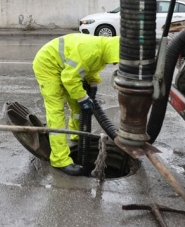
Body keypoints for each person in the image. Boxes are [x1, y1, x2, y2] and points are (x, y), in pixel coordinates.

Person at [32, 33, 120, 176]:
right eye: (117, 60)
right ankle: (60, 160)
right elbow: (69, 78)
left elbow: (88, 69)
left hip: (65, 69)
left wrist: (92, 83)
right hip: (48, 65)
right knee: (56, 111)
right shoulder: (92, 51)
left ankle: (77, 135)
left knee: (78, 107)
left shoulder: (103, 52)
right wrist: (83, 98)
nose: (116, 63)